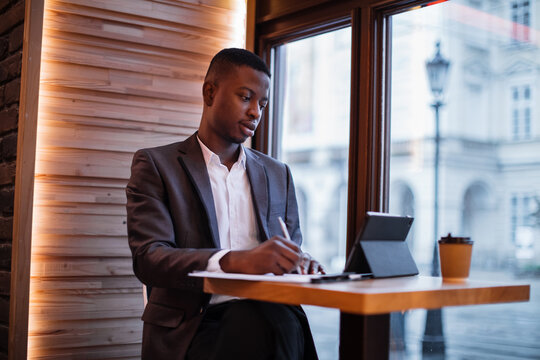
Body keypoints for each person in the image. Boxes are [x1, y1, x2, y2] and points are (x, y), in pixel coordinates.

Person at [126, 48, 324, 360]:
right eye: (246, 97)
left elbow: (291, 244)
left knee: (276, 323)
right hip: (195, 325)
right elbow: (150, 259)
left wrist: (298, 261)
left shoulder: (277, 173)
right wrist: (235, 261)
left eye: (262, 103)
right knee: (267, 327)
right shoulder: (157, 165)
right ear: (210, 92)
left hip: (271, 316)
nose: (256, 112)